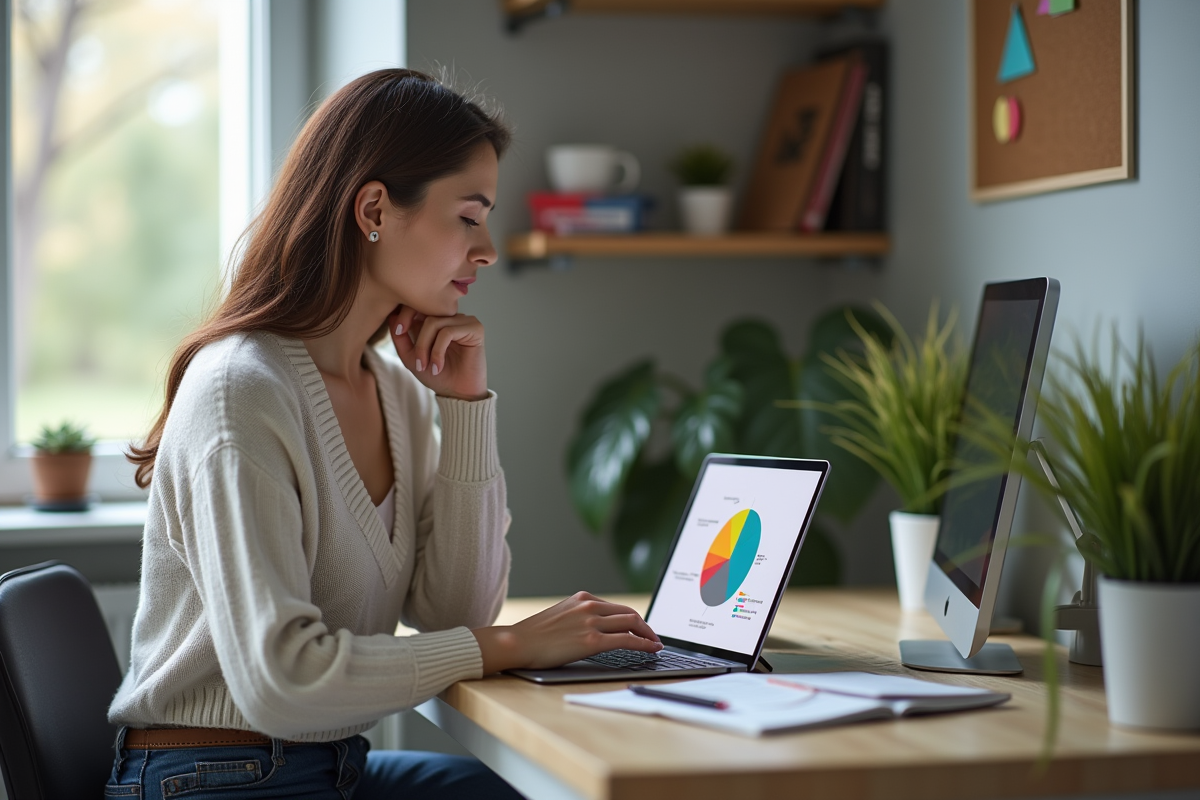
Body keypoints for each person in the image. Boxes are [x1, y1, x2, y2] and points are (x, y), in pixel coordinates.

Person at [106, 68, 662, 800]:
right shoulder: (242, 390)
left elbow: (454, 614)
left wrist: (466, 407)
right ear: (374, 209)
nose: (487, 250)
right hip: (212, 780)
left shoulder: (395, 392)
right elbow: (281, 682)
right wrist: (512, 645)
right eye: (468, 217)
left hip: (331, 766)